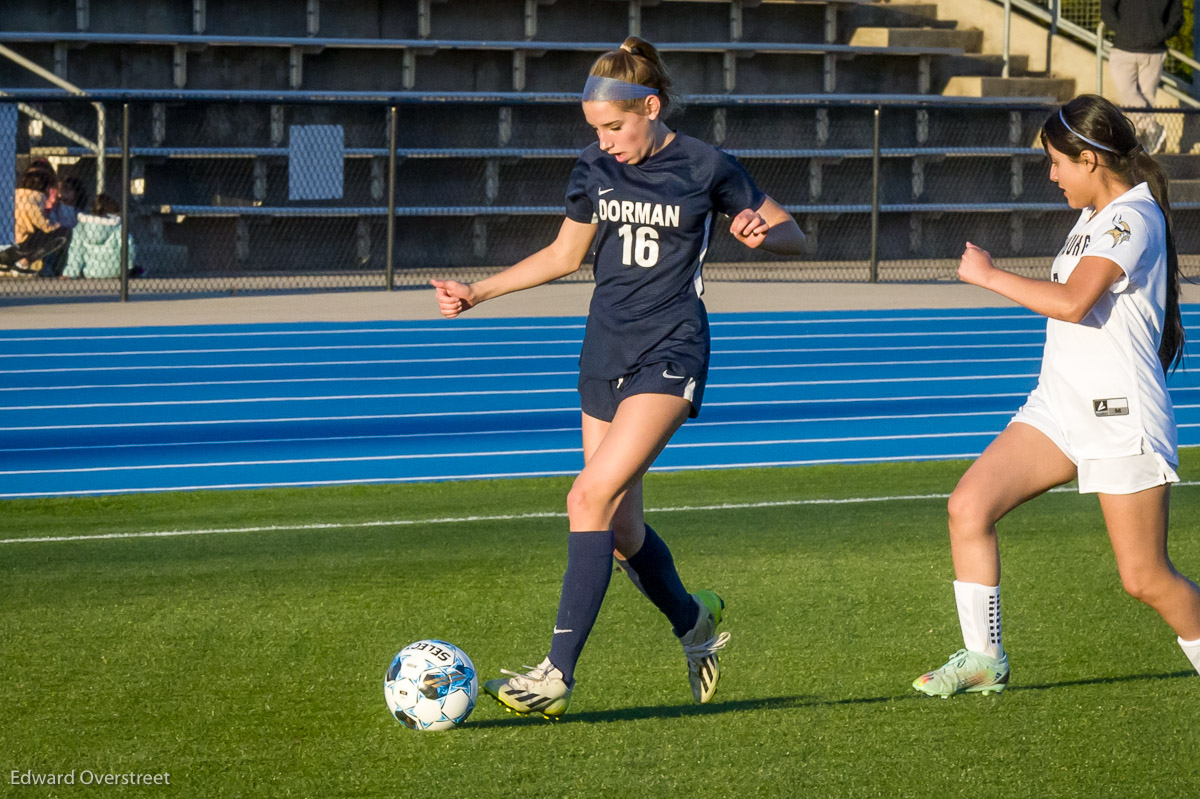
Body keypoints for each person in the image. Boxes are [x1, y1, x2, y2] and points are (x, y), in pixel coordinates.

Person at [432, 36, 805, 718]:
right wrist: (478, 291)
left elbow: (795, 234)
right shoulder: (592, 168)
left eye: (614, 127)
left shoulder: (706, 165)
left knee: (587, 497)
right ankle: (695, 622)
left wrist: (761, 228)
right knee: (623, 529)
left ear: (650, 107)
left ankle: (555, 674)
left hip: (672, 348)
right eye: (595, 130)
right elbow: (564, 253)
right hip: (603, 351)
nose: (604, 141)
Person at [912, 94, 1200, 699]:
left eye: (1056, 162)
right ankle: (984, 659)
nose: (1051, 175)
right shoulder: (1096, 219)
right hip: (1060, 407)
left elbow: (1073, 303)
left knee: (1145, 577)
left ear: (1091, 159)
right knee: (969, 507)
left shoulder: (1130, 218)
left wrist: (989, 276)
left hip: (1118, 413)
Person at [1101, 0, 1183, 155]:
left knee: (1146, 96)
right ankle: (1152, 127)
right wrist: (1123, 30)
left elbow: (1177, 16)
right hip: (1125, 47)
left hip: (1153, 50)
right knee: (1128, 91)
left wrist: (1158, 35)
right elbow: (1107, 8)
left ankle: (1139, 144)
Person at [0, 167, 70, 276]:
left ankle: (6, 265)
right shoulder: (35, 198)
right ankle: (23, 263)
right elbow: (46, 227)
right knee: (64, 233)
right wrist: (57, 225)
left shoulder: (14, 195)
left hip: (4, 244)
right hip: (18, 247)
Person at [61, 193, 138, 279]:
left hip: (90, 271)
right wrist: (128, 267)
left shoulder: (81, 228)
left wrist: (70, 272)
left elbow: (76, 251)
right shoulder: (118, 228)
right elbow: (128, 246)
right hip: (116, 271)